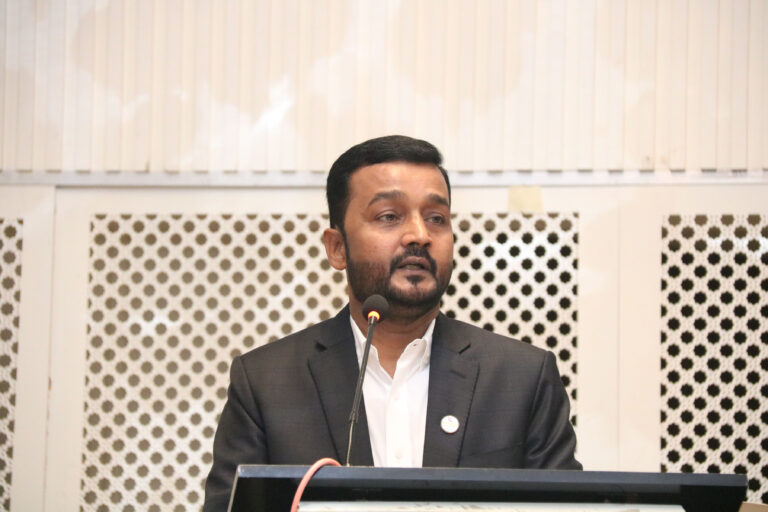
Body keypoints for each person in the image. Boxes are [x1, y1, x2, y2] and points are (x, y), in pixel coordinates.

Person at [202, 135, 581, 511]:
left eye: (436, 219)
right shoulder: (267, 383)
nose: (419, 235)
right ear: (337, 248)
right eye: (389, 217)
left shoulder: (522, 377)